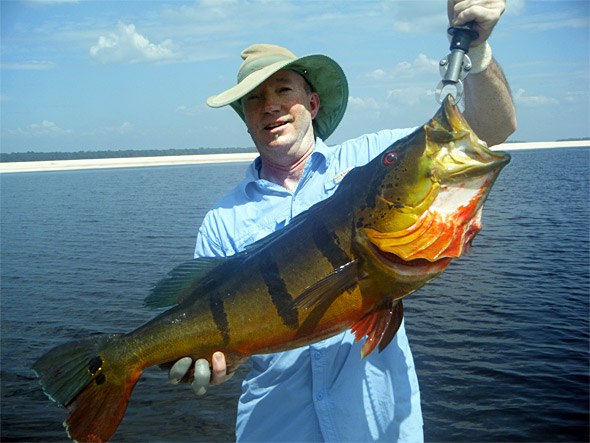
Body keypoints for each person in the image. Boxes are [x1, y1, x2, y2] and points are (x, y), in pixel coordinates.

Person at [169, 0, 516, 441]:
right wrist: (204, 362)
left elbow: (491, 128)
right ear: (246, 120)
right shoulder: (220, 221)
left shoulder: (375, 160)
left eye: (283, 91)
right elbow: (201, 322)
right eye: (254, 99)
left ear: (311, 103)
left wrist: (480, 52)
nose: (270, 106)